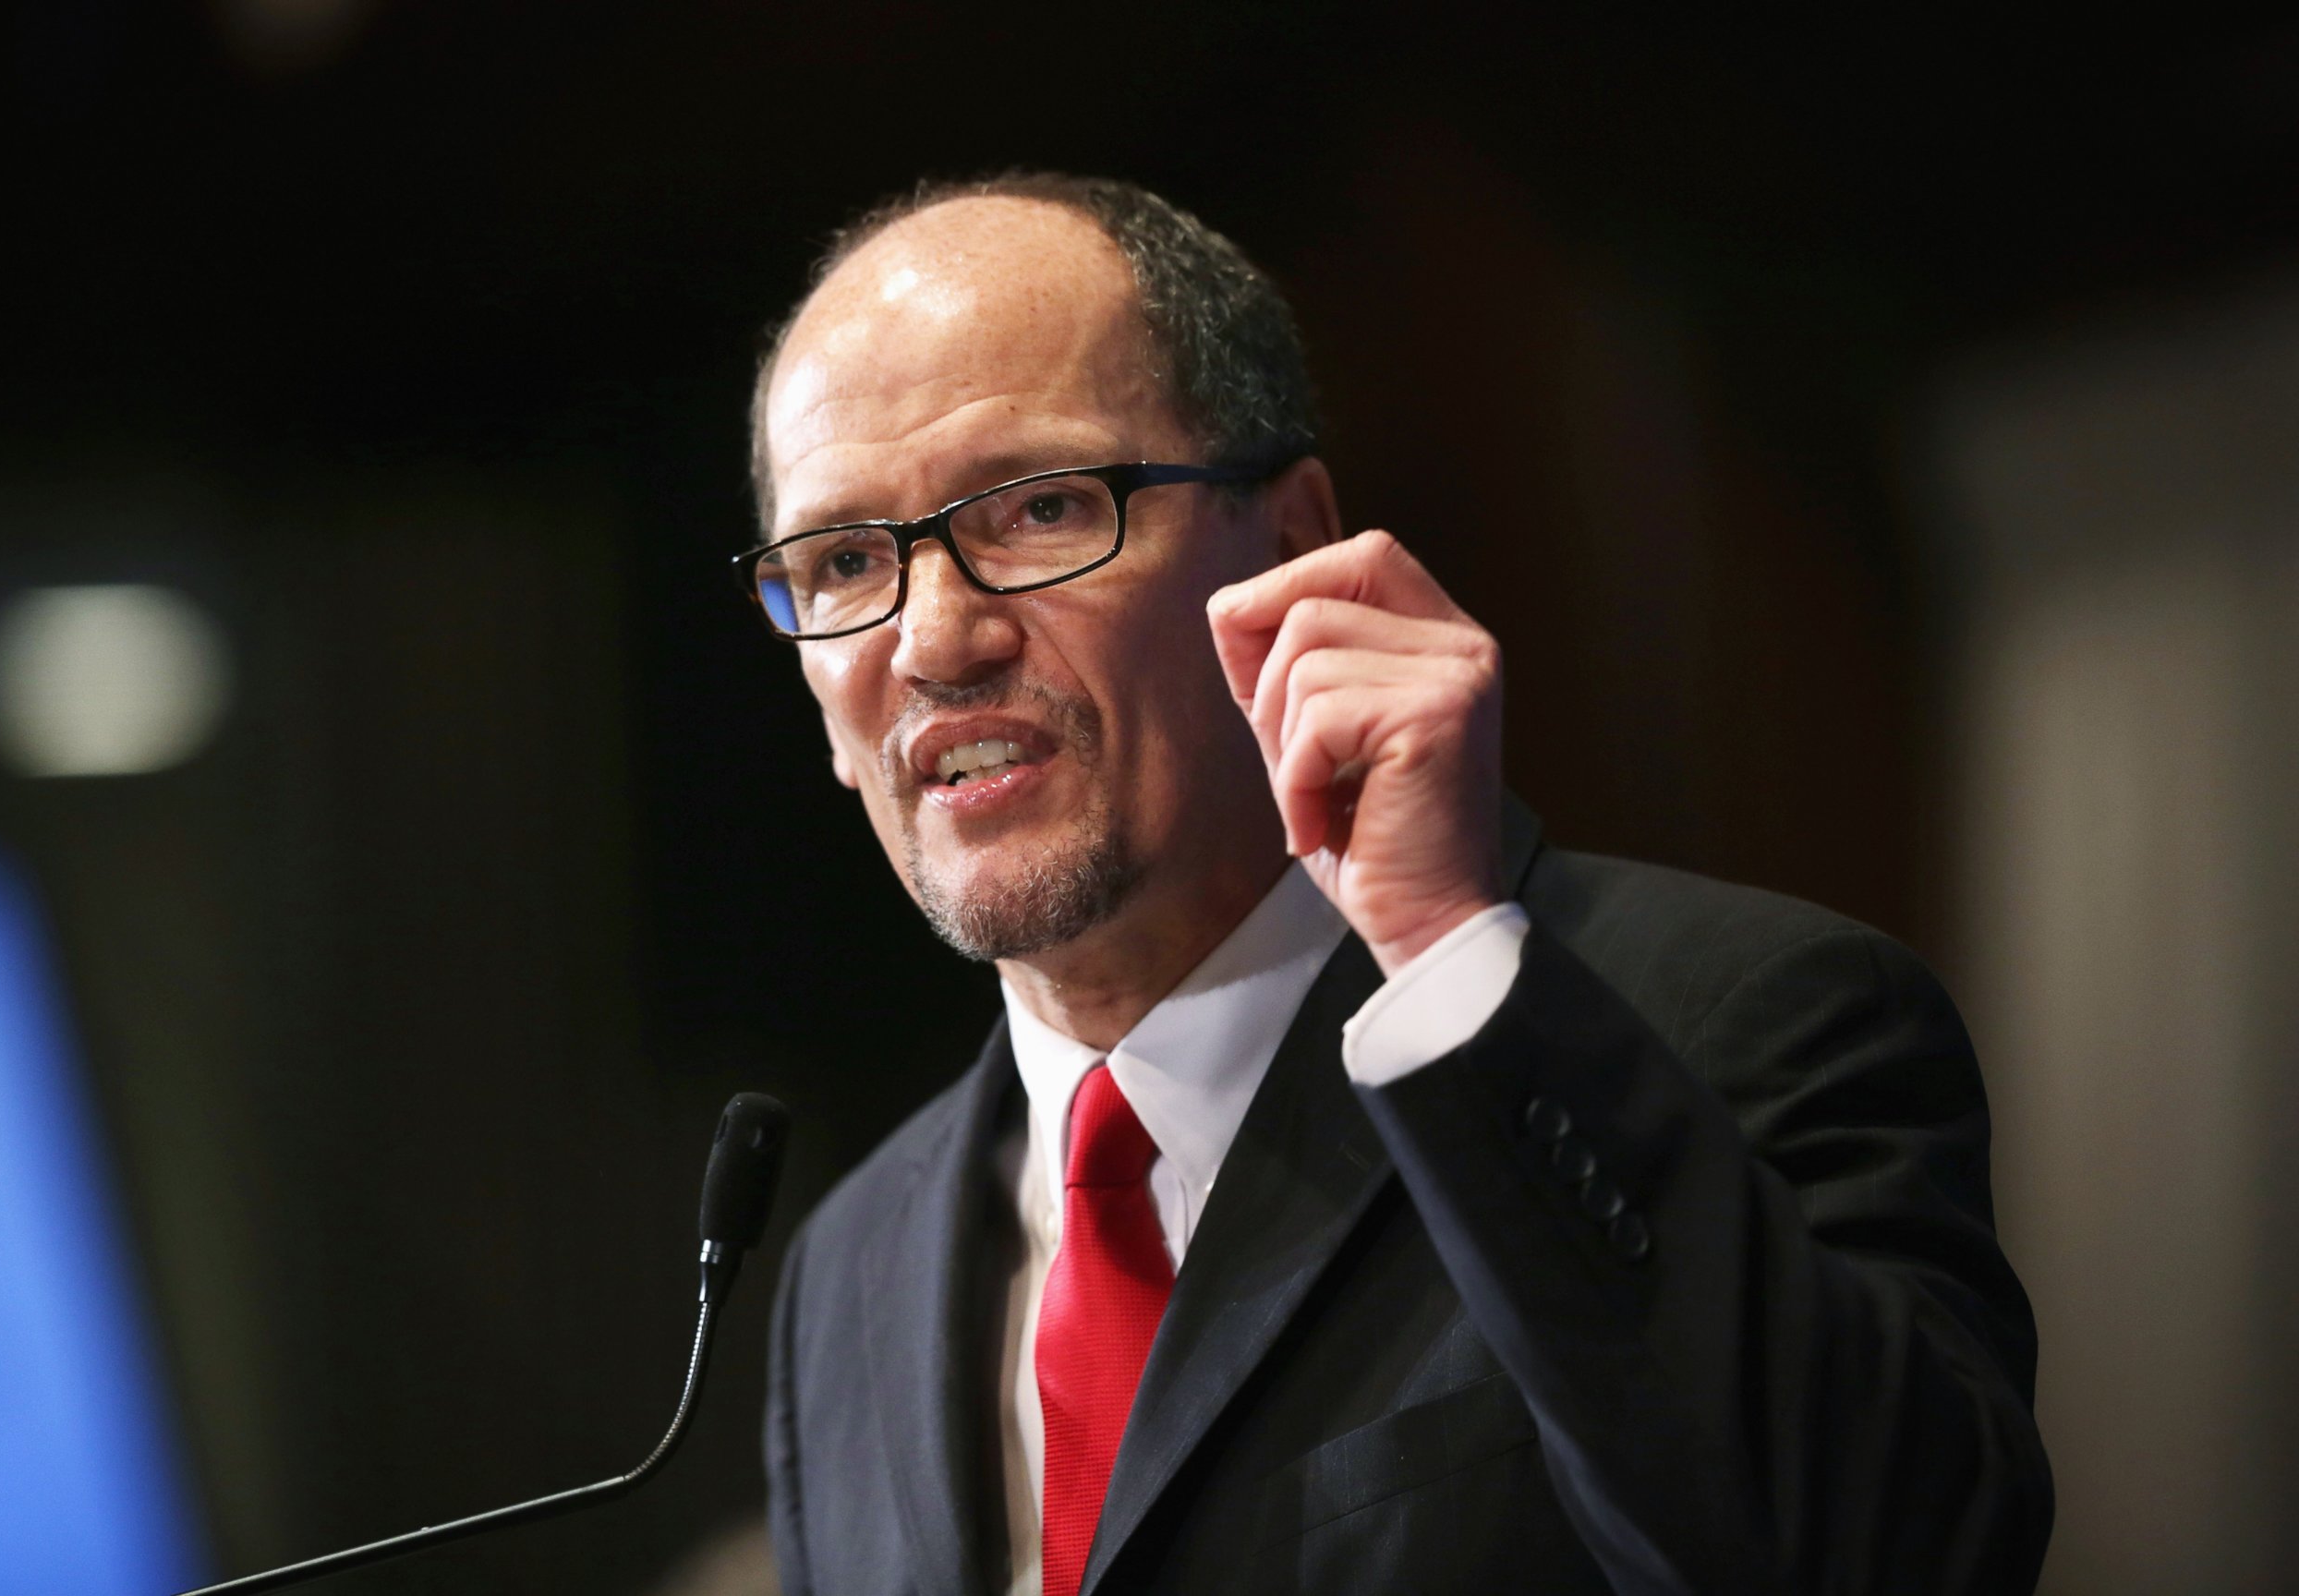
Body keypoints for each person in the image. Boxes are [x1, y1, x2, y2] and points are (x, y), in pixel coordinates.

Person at [739, 173, 2051, 1596]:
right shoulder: (848, 1267)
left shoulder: (1741, 1022)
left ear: (1296, 546)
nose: (936, 638)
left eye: (1043, 508)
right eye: (845, 560)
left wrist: (1448, 959)